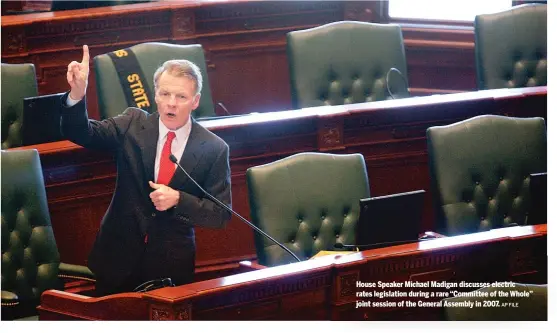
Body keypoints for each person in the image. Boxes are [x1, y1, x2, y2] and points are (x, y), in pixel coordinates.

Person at [62, 45, 232, 296]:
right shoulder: (133, 123)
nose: (171, 104)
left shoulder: (213, 148)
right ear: (155, 95)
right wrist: (77, 94)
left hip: (170, 266)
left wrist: (179, 200)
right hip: (116, 257)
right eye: (165, 94)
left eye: (181, 97)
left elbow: (221, 214)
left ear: (195, 100)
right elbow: (81, 132)